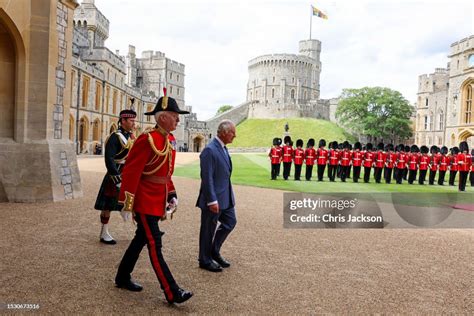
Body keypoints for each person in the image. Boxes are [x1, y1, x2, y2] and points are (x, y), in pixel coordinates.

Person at [115, 91, 193, 304]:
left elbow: (165, 173)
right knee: (154, 244)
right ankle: (172, 291)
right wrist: (126, 203)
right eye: (175, 115)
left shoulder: (168, 139)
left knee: (140, 239)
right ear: (162, 117)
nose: (178, 119)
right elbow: (131, 172)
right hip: (144, 202)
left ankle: (122, 276)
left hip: (157, 200)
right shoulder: (147, 139)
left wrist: (172, 194)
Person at [196, 120, 237, 273]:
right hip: (213, 199)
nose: (235, 135)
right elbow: (207, 178)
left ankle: (214, 251)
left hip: (225, 197)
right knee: (208, 229)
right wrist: (212, 200)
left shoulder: (223, 148)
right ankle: (204, 259)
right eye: (233, 132)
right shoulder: (210, 150)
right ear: (224, 132)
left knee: (230, 222)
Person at [94, 108, 136, 245]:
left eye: (134, 120)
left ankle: (141, 229)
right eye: (131, 120)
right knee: (108, 205)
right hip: (116, 172)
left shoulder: (130, 136)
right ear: (123, 121)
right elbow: (109, 158)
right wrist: (116, 177)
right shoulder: (115, 136)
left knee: (131, 198)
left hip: (128, 172)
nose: (133, 123)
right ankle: (104, 231)